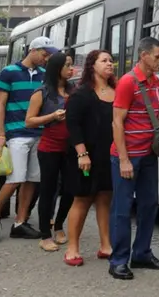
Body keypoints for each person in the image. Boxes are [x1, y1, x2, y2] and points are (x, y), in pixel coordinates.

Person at [109, 36, 159, 280]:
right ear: (143, 55)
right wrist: (124, 160)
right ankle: (118, 260)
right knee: (123, 210)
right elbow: (117, 121)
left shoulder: (155, 81)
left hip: (148, 155)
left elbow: (158, 110)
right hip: (128, 157)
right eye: (158, 56)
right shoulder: (127, 82)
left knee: (149, 206)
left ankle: (142, 254)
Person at [0, 36, 57, 243]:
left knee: (32, 179)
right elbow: (0, 105)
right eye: (44, 54)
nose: (46, 58)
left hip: (39, 132)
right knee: (16, 178)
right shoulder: (9, 72)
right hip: (16, 133)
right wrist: (0, 134)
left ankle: (20, 221)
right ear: (32, 50)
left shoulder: (45, 75)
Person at [63, 50, 115, 266]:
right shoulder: (81, 93)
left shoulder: (117, 91)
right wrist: (82, 153)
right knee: (82, 199)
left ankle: (106, 245)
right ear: (92, 65)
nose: (110, 64)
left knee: (105, 198)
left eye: (111, 61)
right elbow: (72, 125)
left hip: (108, 154)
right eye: (104, 61)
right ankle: (72, 247)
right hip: (85, 155)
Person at [25, 51, 75, 252]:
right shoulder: (42, 92)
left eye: (72, 65)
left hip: (72, 148)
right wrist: (52, 116)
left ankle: (59, 225)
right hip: (49, 148)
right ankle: (45, 233)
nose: (72, 69)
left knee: (71, 190)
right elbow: (29, 121)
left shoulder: (75, 91)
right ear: (57, 69)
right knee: (48, 190)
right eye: (68, 65)